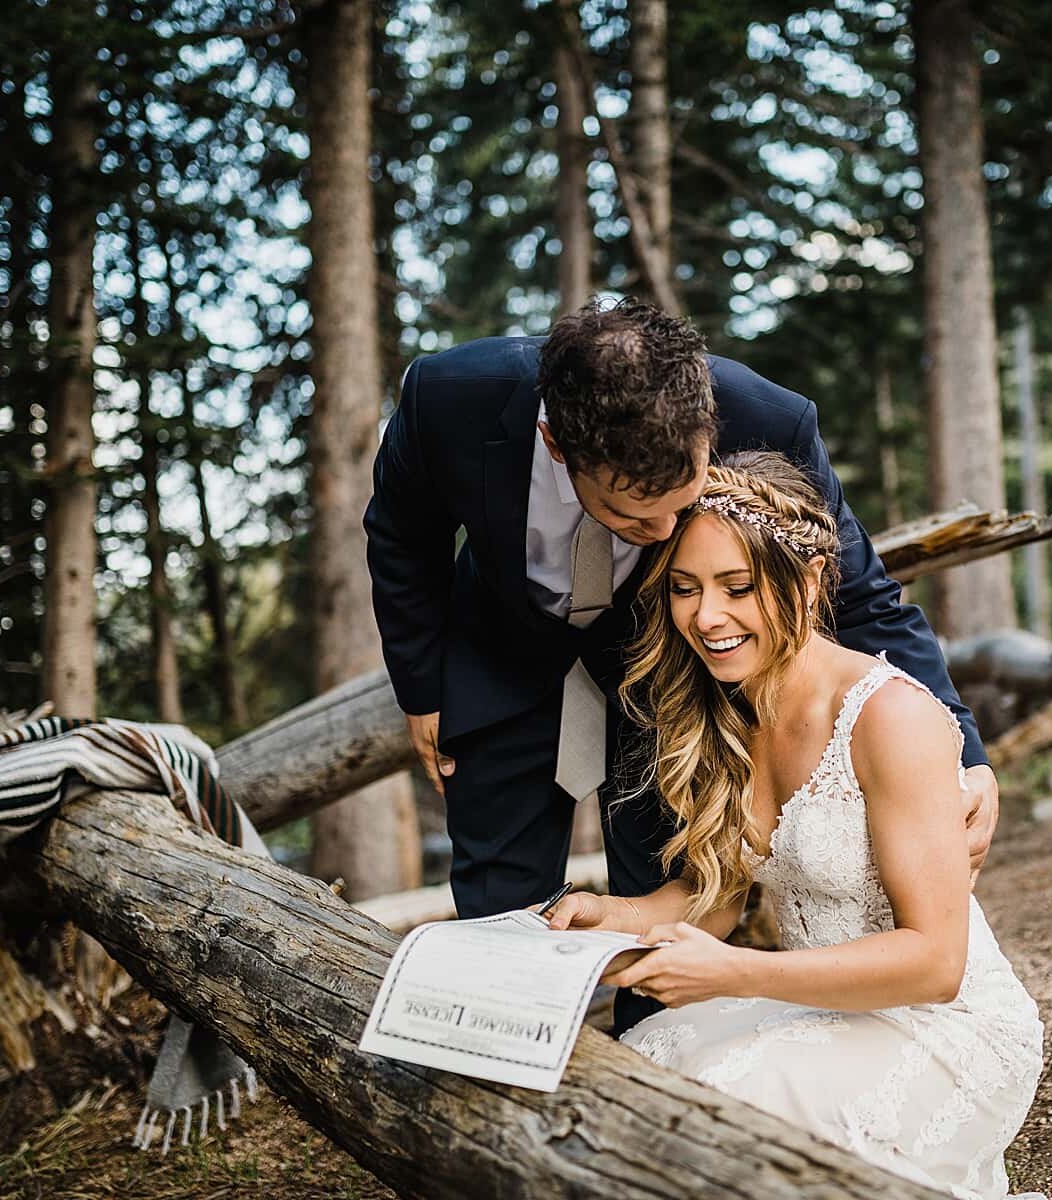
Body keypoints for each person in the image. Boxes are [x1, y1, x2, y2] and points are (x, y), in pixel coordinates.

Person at [364, 297, 998, 1032]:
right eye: (634, 517)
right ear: (556, 441)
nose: (665, 532)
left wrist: (963, 746)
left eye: (683, 504)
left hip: (670, 667)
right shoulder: (449, 396)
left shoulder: (768, 416)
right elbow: (402, 533)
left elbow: (864, 597)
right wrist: (422, 688)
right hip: (500, 652)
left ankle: (649, 1056)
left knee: (671, 868)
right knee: (501, 897)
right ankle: (497, 1074)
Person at [543, 452, 1044, 1200]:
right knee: (640, 1061)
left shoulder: (891, 715)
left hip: (943, 1029)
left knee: (711, 1108)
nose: (706, 618)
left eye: (737, 588)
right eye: (684, 589)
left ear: (807, 583)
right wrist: (611, 920)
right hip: (818, 1005)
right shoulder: (732, 709)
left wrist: (734, 973)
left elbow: (936, 964)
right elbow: (712, 900)